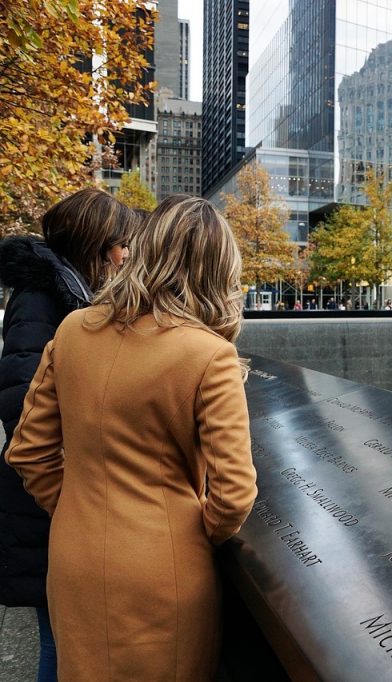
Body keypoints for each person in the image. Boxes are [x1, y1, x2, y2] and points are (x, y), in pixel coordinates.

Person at [5, 195, 258, 680]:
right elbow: (233, 496)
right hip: (163, 571)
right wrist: (183, 534)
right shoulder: (210, 356)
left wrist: (75, 506)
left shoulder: (74, 330)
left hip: (73, 557)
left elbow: (28, 452)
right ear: (218, 269)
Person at [0, 187, 138, 682]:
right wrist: (68, 498)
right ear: (97, 244)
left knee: (67, 639)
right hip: (44, 505)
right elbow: (23, 407)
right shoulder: (43, 299)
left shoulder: (64, 292)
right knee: (61, 643)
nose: (126, 255)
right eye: (121, 244)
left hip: (52, 500)